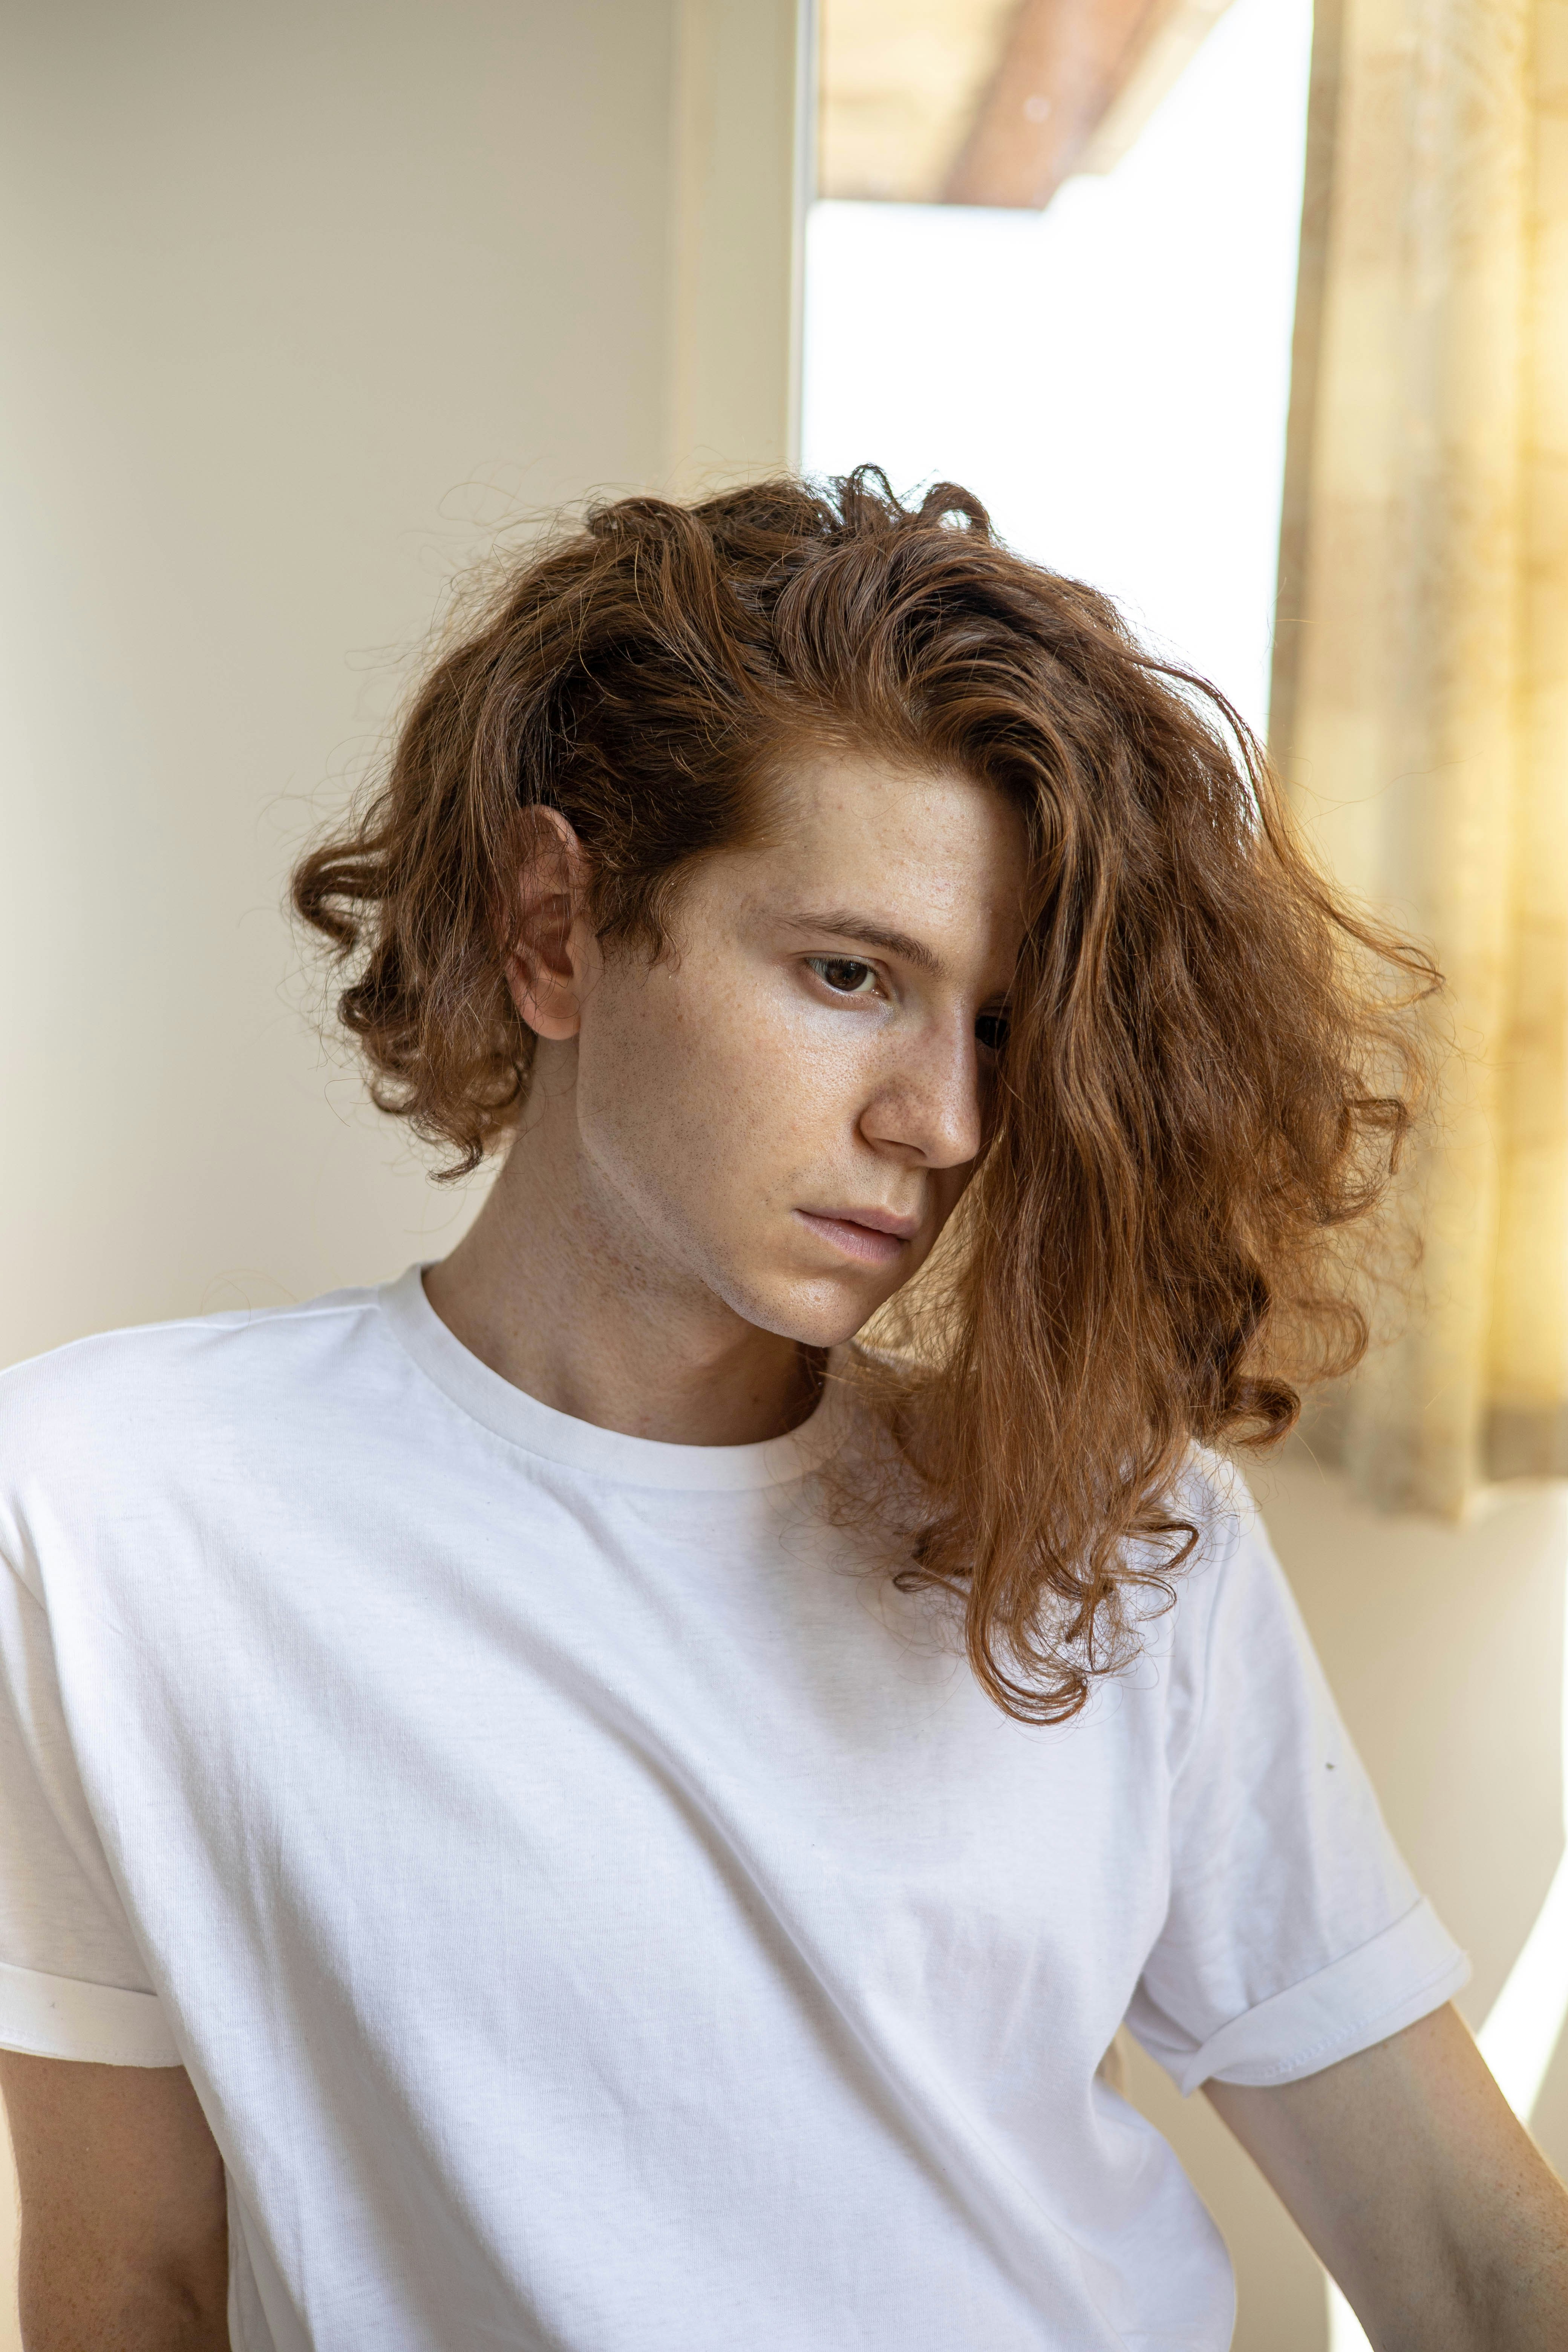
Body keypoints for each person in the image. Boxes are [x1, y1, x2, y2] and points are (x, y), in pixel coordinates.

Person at [0, 470, 1563, 2352]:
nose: (944, 1120)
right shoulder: (105, 1518)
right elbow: (130, 2279)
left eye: (993, 1025)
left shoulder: (1099, 1521)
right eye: (848, 976)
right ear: (556, 928)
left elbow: (1464, 2262)